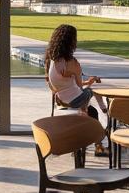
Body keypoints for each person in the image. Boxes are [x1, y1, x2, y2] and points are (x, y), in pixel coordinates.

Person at [45, 24, 108, 154]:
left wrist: (88, 81)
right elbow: (79, 87)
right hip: (76, 99)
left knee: (91, 111)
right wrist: (89, 82)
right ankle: (104, 110)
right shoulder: (72, 62)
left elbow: (62, 83)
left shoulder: (51, 60)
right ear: (71, 41)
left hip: (61, 99)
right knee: (93, 91)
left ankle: (95, 144)